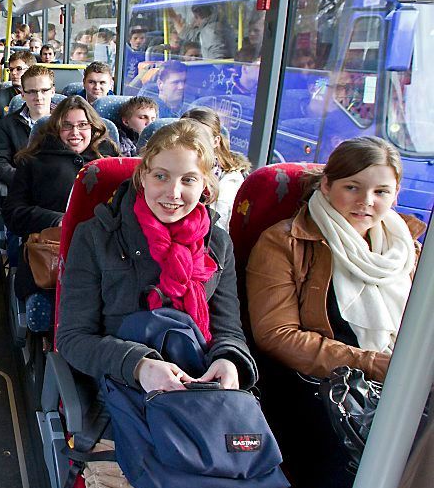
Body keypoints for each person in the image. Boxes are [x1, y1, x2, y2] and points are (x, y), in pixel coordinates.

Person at [246, 137, 424, 488]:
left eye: (381, 192)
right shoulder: (284, 242)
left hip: (396, 380)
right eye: (352, 187)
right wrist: (377, 365)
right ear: (326, 186)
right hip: (320, 388)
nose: (367, 202)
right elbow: (277, 336)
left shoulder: (407, 248)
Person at [57, 117, 256, 400]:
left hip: (198, 383)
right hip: (120, 383)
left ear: (204, 185)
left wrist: (228, 360)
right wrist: (139, 366)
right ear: (142, 177)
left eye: (188, 179)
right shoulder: (96, 236)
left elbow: (228, 330)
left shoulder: (217, 244)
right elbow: (73, 338)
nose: (173, 193)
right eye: (160, 176)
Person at [4, 96, 118, 332]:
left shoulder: (111, 161)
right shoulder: (33, 161)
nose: (75, 132)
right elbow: (13, 214)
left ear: (93, 128)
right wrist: (58, 219)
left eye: (82, 125)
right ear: (57, 129)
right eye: (67, 125)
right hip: (51, 255)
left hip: (106, 257)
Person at [0, 65, 55, 272]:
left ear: (53, 91)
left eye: (43, 91)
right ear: (22, 94)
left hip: (58, 191)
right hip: (22, 191)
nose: (38, 97)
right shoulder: (8, 125)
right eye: (32, 91)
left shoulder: (68, 124)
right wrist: (28, 181)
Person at [181, 107, 251, 231]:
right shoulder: (165, 166)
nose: (193, 143)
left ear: (215, 141)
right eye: (186, 136)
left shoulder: (229, 181)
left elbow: (218, 229)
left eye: (201, 136)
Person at [0, 51, 34, 124]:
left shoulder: (42, 97)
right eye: (11, 69)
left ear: (31, 70)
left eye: (19, 69)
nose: (13, 73)